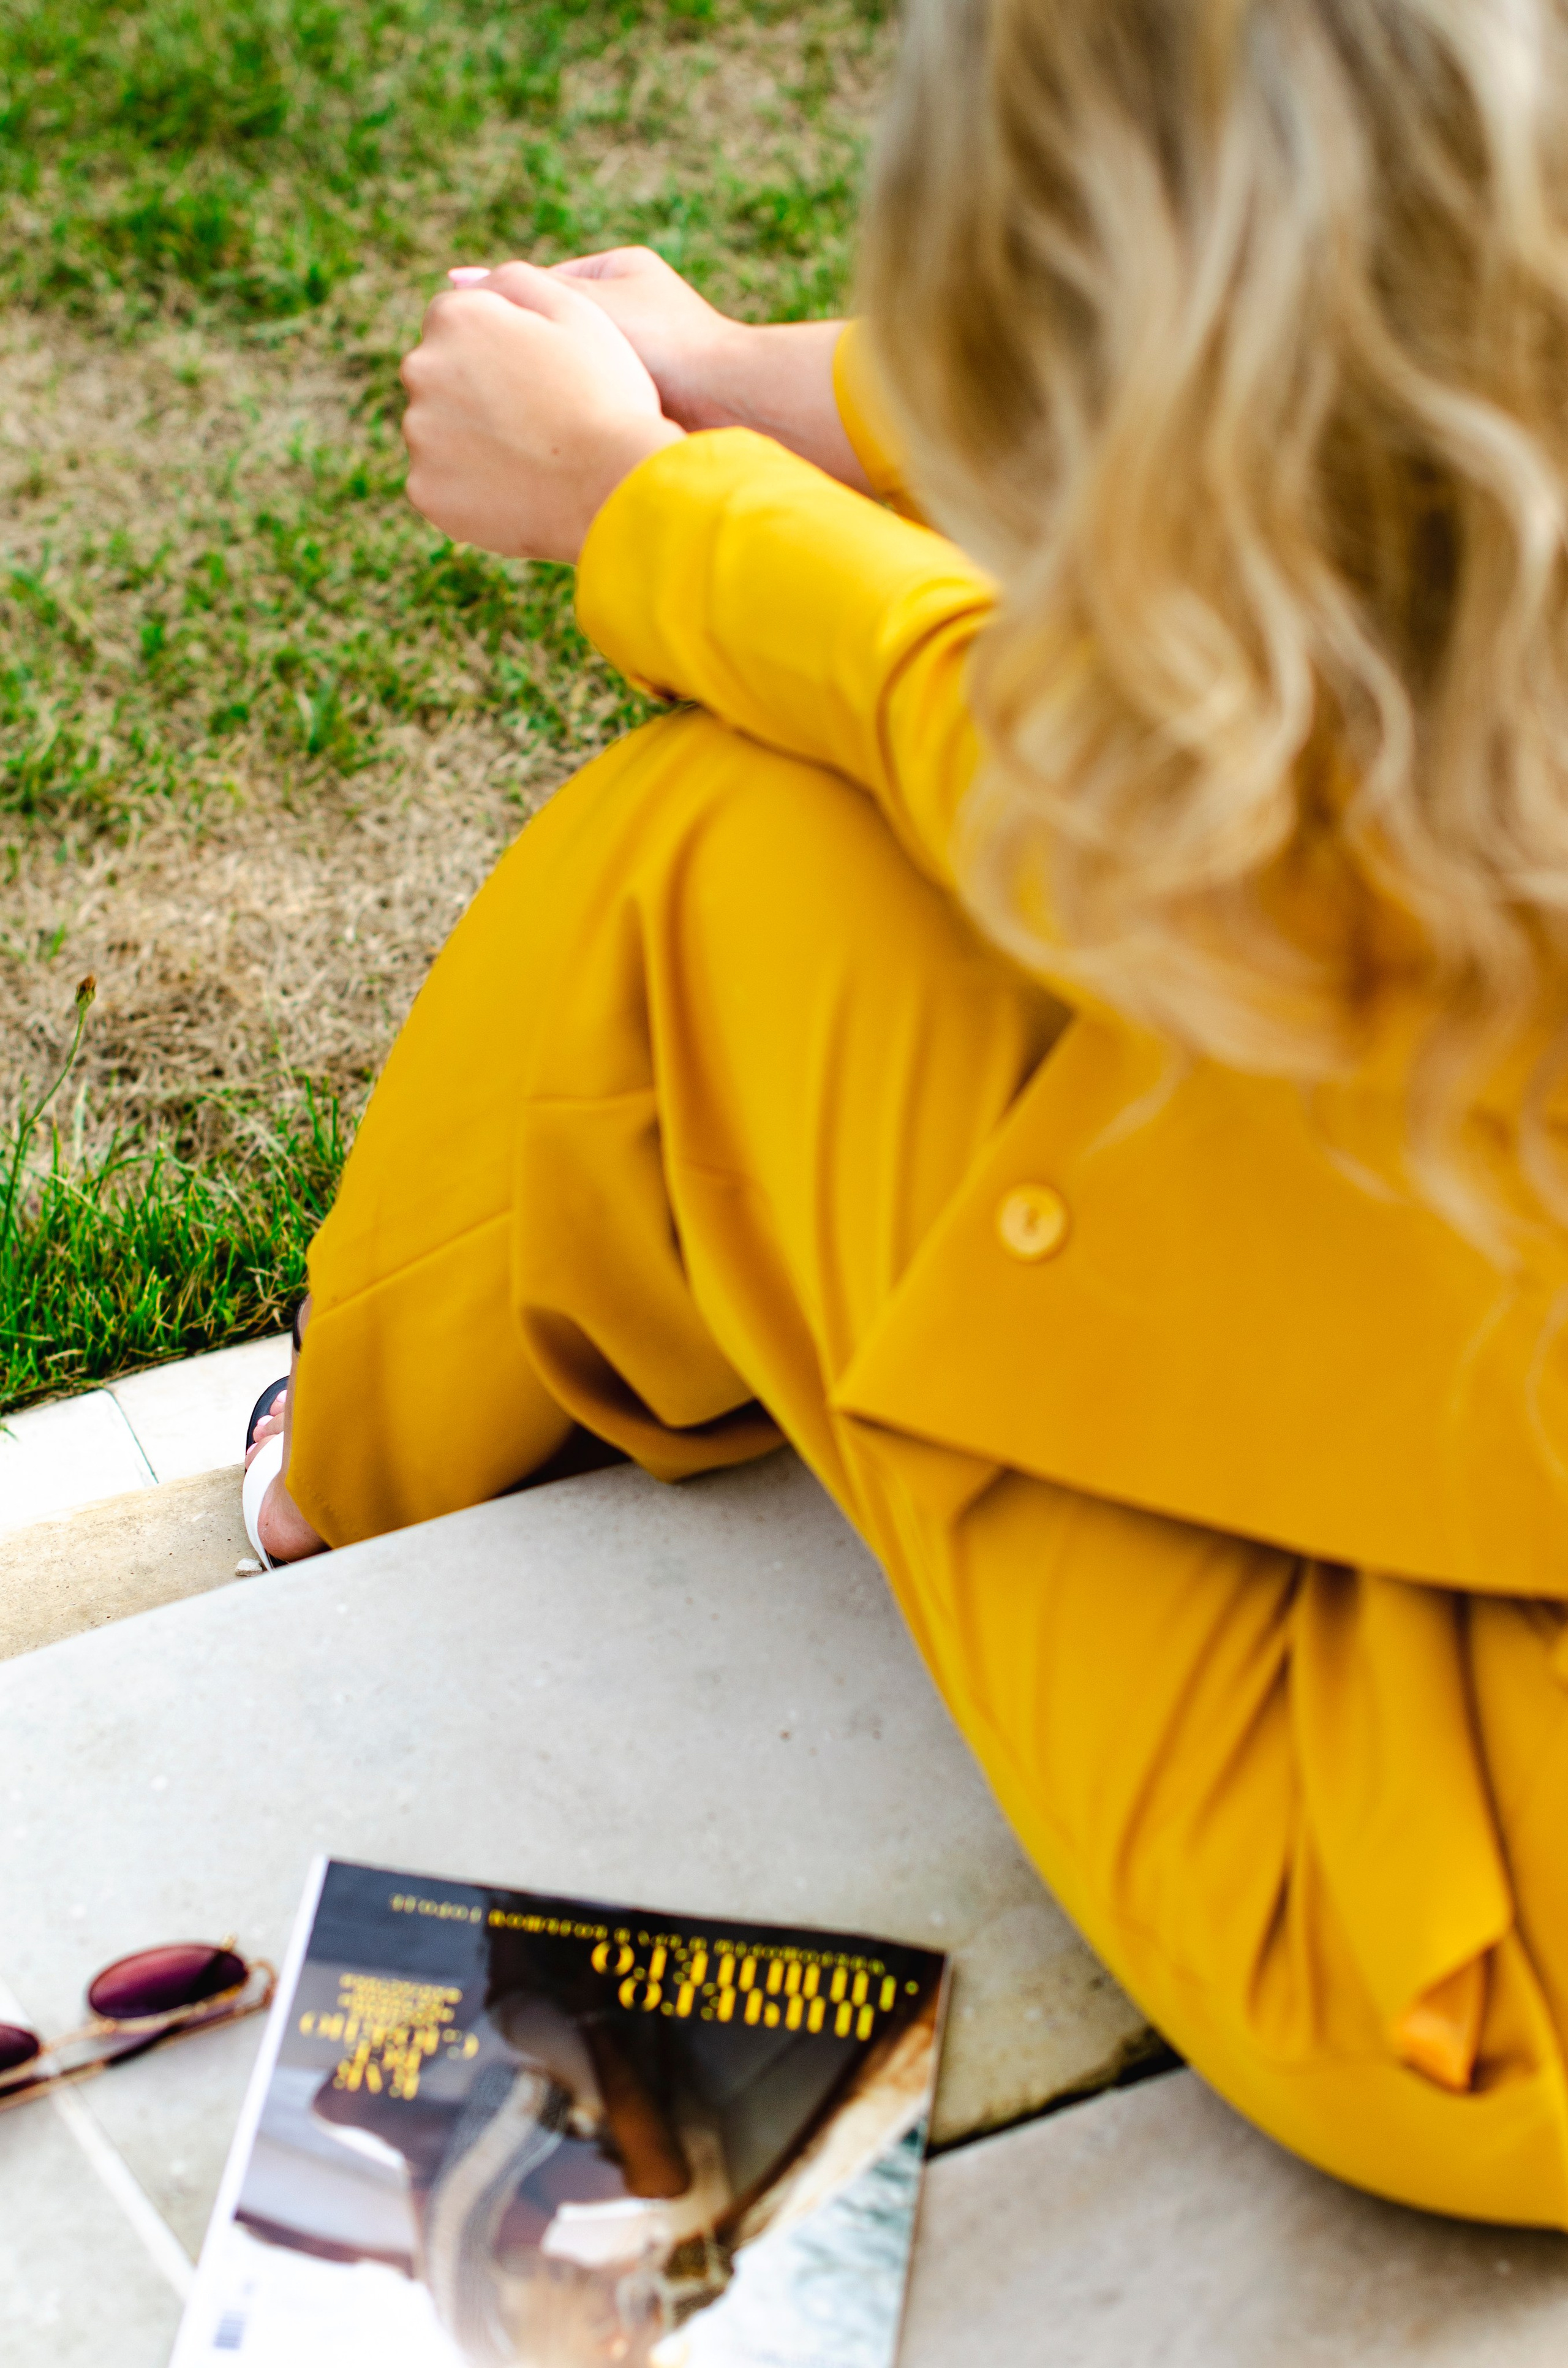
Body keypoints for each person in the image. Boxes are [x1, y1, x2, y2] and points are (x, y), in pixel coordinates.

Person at [246, 0, 1568, 2228]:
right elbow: (1368, 472)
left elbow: (1134, 803)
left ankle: (337, 1493)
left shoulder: (1339, 847)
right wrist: (777, 380)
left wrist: (655, 499)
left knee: (717, 865)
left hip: (1467, 1928)